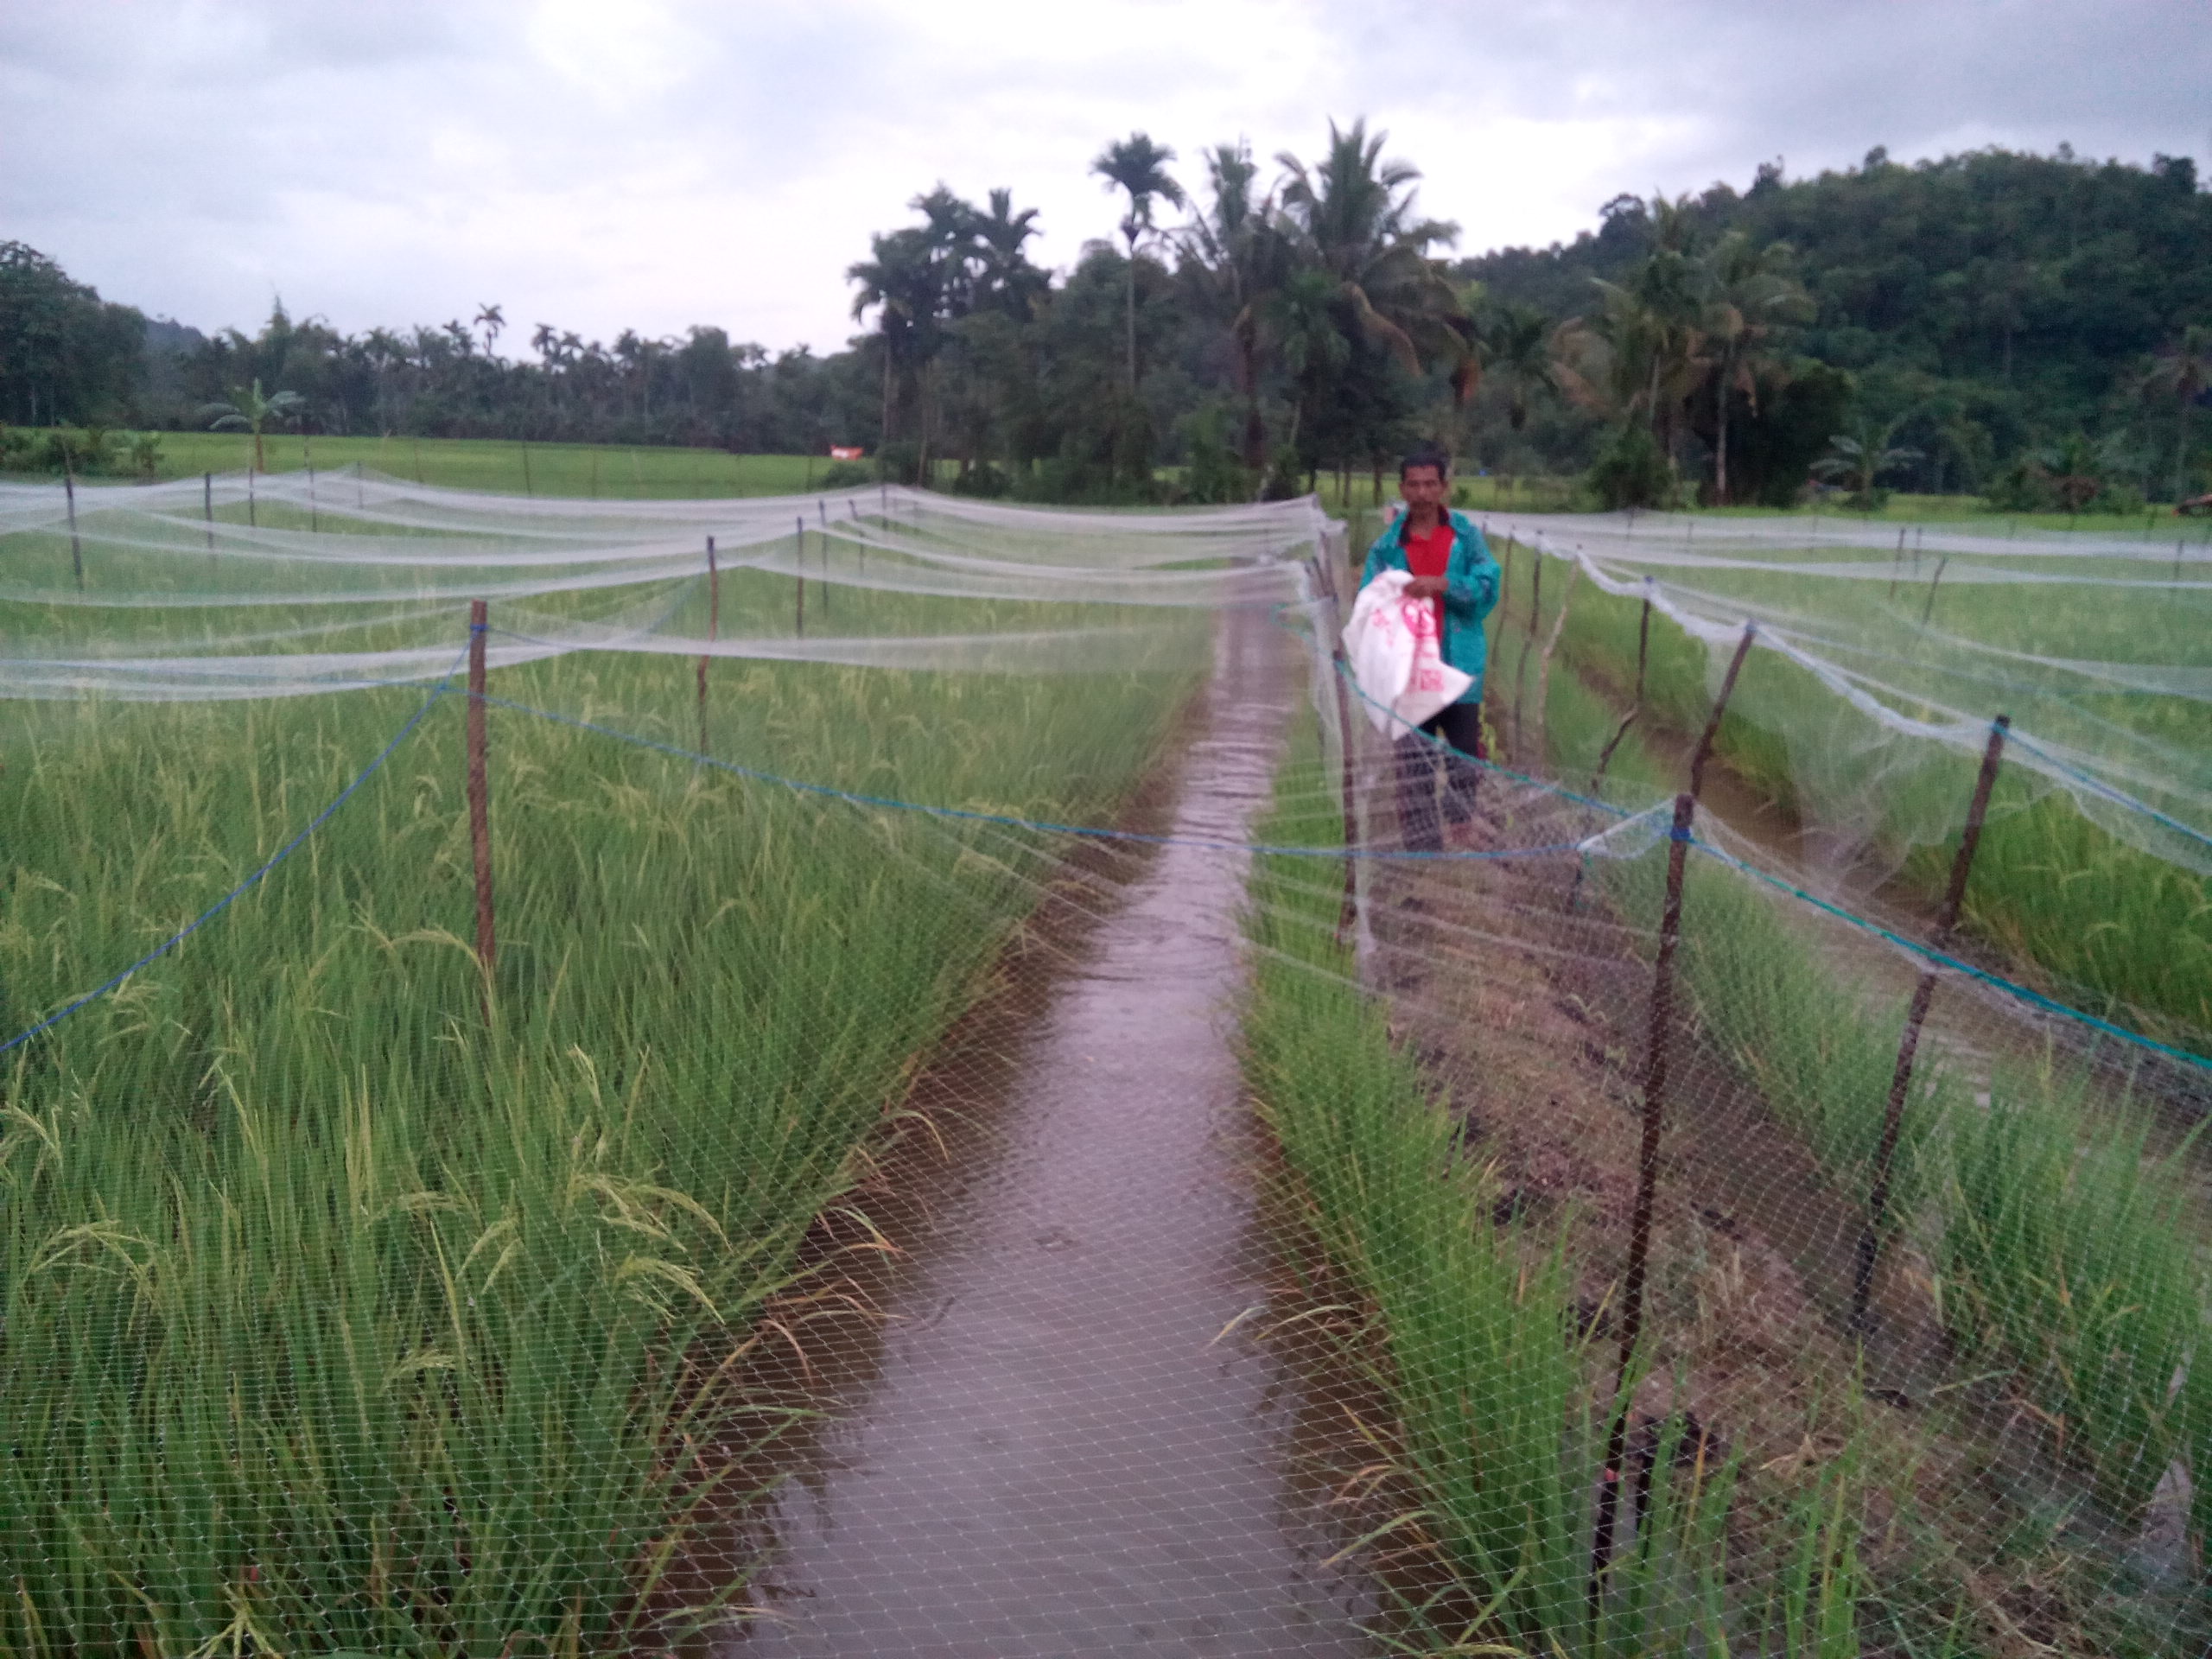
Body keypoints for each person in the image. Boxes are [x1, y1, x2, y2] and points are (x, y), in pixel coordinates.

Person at [1357, 444, 1503, 852]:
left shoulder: (1465, 536)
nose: (1422, 493)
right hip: (1409, 676)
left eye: (1430, 484)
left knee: (1464, 761)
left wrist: (1446, 586)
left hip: (1459, 669)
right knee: (1414, 763)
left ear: (1444, 487)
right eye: (1414, 485)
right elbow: (1368, 603)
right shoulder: (1387, 548)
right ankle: (1423, 849)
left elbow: (1488, 582)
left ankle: (1460, 833)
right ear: (1402, 489)